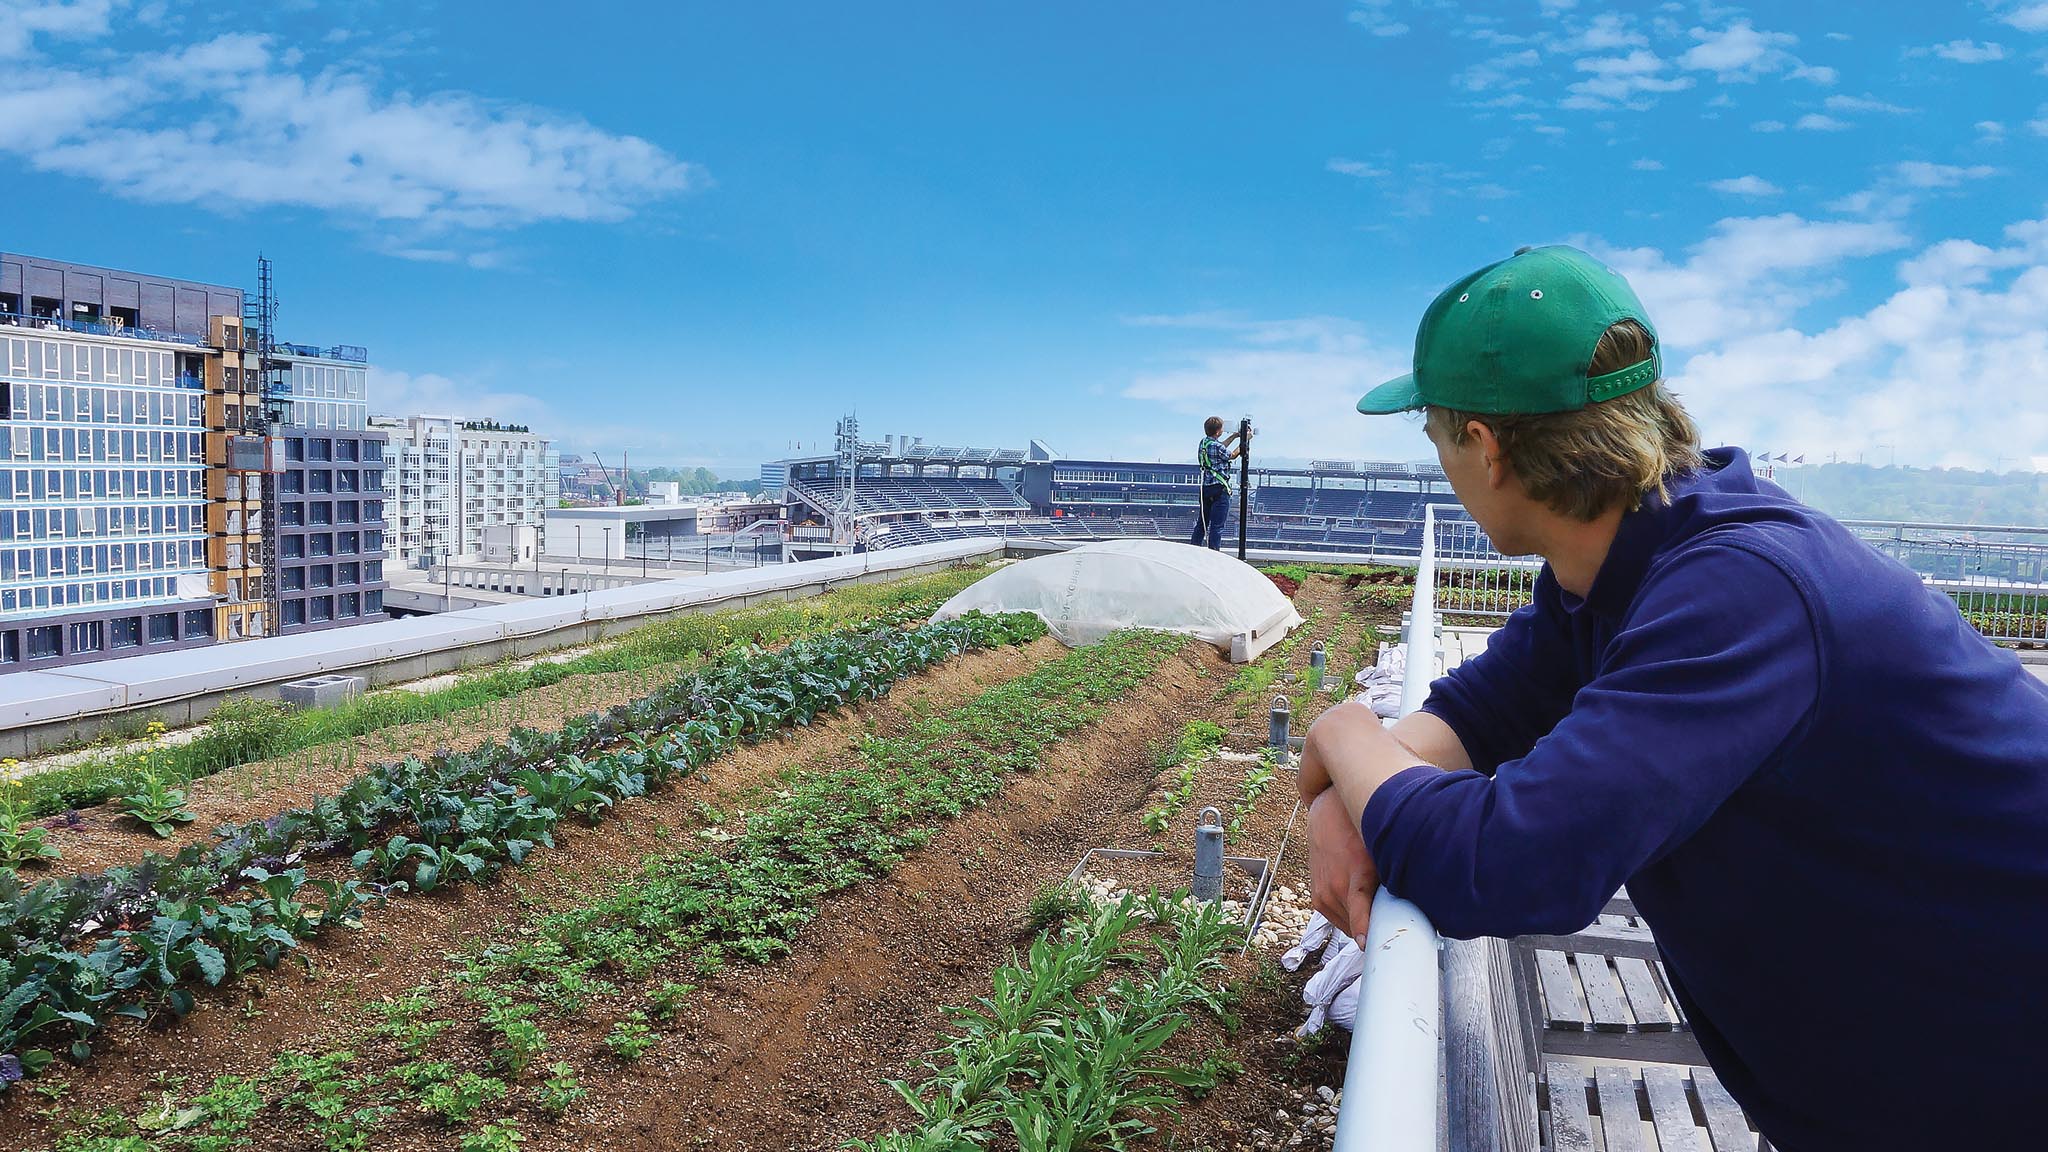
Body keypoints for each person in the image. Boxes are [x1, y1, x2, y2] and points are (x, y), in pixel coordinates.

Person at [1300, 244, 2048, 1149]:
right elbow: (1476, 715)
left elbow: (1511, 865)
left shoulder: (1738, 592)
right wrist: (1352, 796)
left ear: (1485, 447)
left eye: (1434, 435)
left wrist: (1343, 732)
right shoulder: (1620, 568)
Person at [1189, 416, 1248, 550]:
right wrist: (1243, 442)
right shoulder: (1216, 446)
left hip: (1205, 488)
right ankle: (1214, 553)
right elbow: (1231, 455)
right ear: (1218, 432)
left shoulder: (1204, 443)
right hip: (1219, 488)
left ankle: (1192, 550)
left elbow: (1220, 447)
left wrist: (1234, 436)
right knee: (1217, 526)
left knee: (1202, 523)